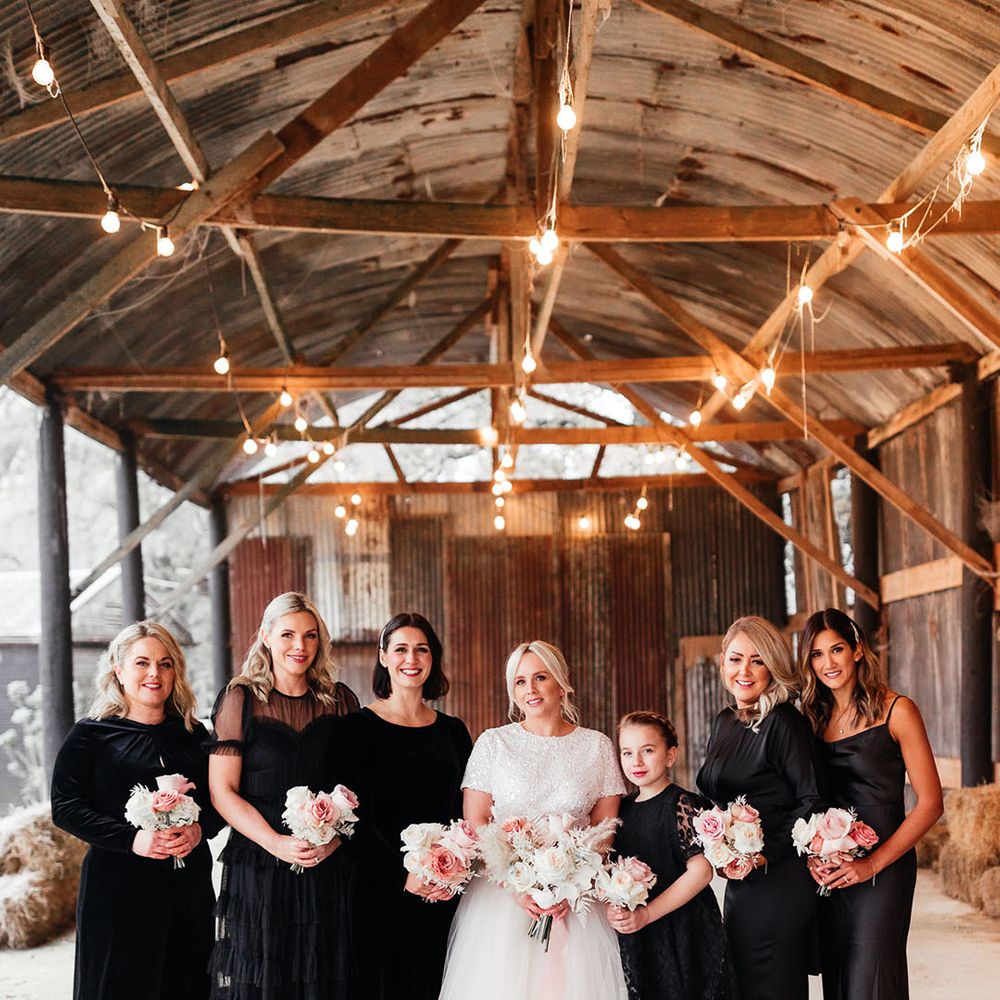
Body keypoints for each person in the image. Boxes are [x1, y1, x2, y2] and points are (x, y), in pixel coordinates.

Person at [438, 640, 628, 1000]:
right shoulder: (493, 743)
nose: (531, 689)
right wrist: (516, 884)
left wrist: (571, 883)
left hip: (576, 900)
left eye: (540, 677)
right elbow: (477, 820)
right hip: (503, 898)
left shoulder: (597, 746)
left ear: (561, 683)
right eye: (521, 681)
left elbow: (605, 830)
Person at [51, 621, 221, 1000]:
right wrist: (132, 839)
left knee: (187, 981)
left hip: (186, 886)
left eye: (165, 664)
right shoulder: (90, 735)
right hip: (117, 890)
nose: (154, 674)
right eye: (142, 663)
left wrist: (199, 829)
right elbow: (65, 807)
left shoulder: (194, 736)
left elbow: (220, 799)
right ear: (118, 668)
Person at [206, 592, 360, 1000]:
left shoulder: (340, 700)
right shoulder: (240, 699)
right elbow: (222, 792)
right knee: (263, 977)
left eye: (310, 636)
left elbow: (355, 786)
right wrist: (274, 842)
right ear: (266, 637)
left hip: (325, 862)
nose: (300, 646)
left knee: (321, 973)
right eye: (288, 634)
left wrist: (335, 840)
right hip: (259, 862)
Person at [798, 608, 943, 1000]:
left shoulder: (898, 711)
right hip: (832, 869)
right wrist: (813, 855)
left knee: (871, 978)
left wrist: (871, 864)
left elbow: (931, 803)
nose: (828, 663)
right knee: (840, 979)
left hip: (885, 870)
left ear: (858, 650)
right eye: (816, 654)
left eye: (837, 649)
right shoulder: (811, 717)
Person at [336, 612, 472, 1000]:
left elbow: (467, 810)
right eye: (400, 649)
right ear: (383, 656)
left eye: (421, 649)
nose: (410, 659)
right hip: (379, 891)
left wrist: (452, 869)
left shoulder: (454, 732)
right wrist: (404, 874)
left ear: (433, 658)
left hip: (445, 889)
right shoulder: (355, 730)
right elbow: (352, 822)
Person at [697, 615, 824, 1000]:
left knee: (771, 983)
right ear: (722, 661)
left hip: (779, 879)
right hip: (742, 883)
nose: (745, 671)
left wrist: (764, 854)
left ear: (773, 665)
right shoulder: (725, 722)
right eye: (736, 659)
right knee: (748, 984)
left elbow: (812, 799)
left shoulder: (784, 722)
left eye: (757, 660)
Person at [609, 711, 736, 1000]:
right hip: (643, 936)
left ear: (670, 755)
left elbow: (701, 872)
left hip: (685, 931)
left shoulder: (684, 804)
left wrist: (647, 914)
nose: (636, 761)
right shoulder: (622, 810)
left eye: (648, 750)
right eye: (627, 752)